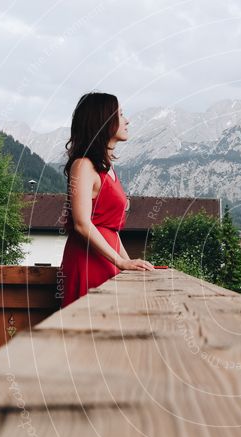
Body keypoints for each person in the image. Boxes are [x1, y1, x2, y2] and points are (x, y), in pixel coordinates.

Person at [59, 92, 154, 307]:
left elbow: (110, 228)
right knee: (90, 331)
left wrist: (128, 263)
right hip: (87, 261)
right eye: (120, 114)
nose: (127, 120)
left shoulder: (108, 168)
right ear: (103, 121)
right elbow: (82, 224)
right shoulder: (83, 165)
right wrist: (120, 261)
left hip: (107, 260)